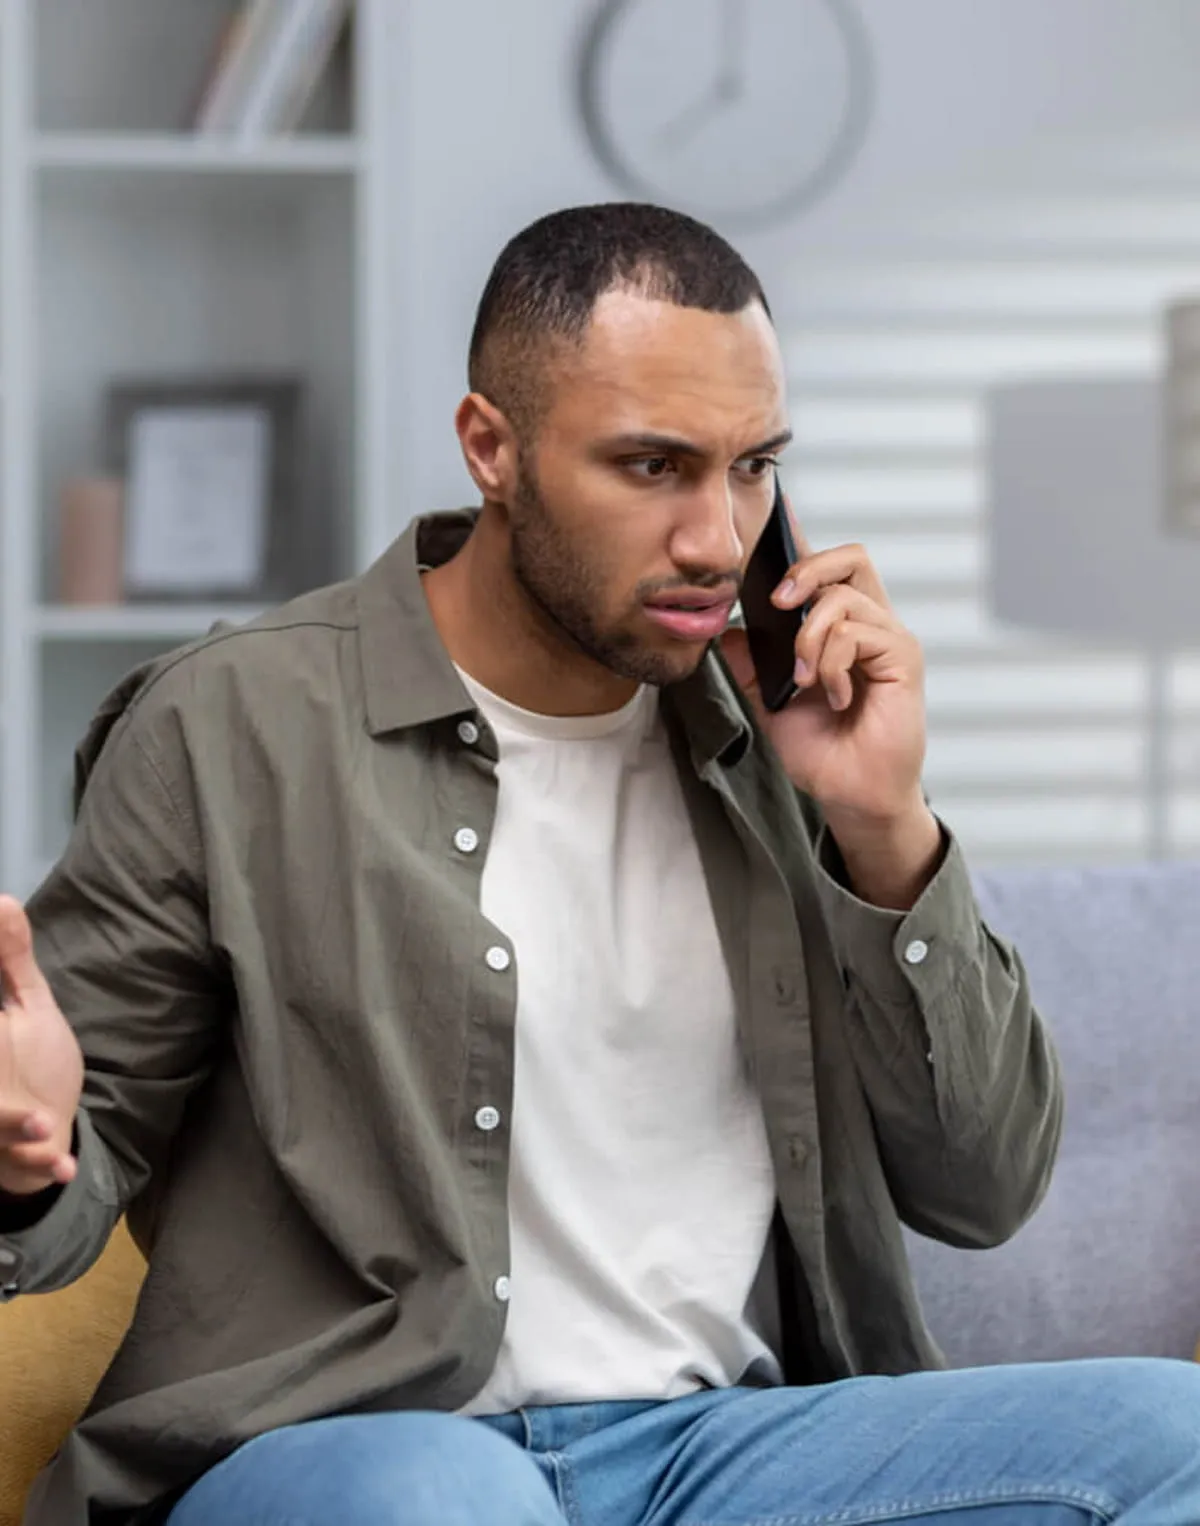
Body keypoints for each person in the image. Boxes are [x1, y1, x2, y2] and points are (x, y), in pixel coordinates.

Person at [0, 202, 1197, 1526]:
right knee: (439, 1498)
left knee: (1172, 1433)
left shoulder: (787, 730)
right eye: (652, 467)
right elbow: (67, 1164)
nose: (717, 537)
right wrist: (29, 1151)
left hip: (726, 1451)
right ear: (490, 448)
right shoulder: (228, 723)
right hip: (371, 1448)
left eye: (754, 469)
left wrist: (885, 825)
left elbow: (986, 1187)